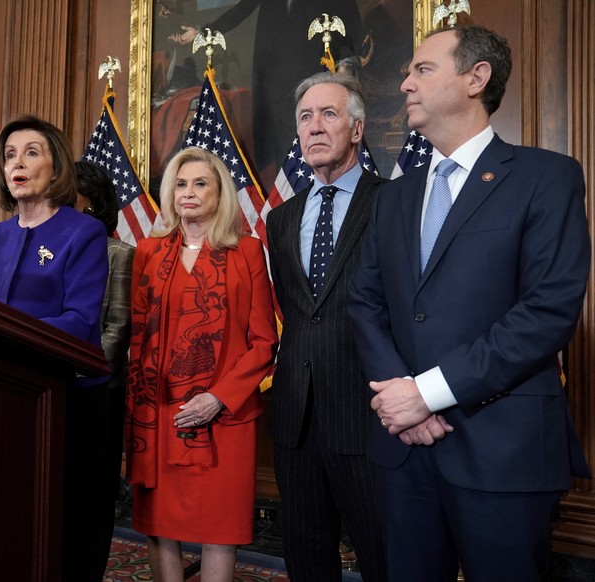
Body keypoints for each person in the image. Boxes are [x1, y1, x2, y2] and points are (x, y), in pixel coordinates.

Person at [347, 25, 591, 581]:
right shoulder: (394, 197)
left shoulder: (545, 178)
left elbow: (546, 312)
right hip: (404, 452)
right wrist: (402, 403)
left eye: (422, 70)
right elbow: (364, 303)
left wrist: (428, 394)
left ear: (476, 78)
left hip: (501, 451)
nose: (405, 83)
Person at [126, 147, 278, 581]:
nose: (187, 193)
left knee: (219, 531)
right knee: (159, 529)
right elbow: (137, 337)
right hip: (158, 416)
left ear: (220, 192)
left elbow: (264, 342)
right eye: (179, 183)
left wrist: (217, 398)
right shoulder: (148, 252)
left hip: (224, 416)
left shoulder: (247, 252)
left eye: (199, 183)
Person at [0, 115, 111, 580]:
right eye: (10, 155)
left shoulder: (82, 232)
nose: (19, 163)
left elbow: (81, 320)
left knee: (69, 523)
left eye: (32, 152)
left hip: (68, 400)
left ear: (57, 167)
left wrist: (3, 334)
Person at [265, 72, 386, 581]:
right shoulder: (280, 218)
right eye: (305, 117)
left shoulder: (393, 201)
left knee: (385, 554)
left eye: (329, 114)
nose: (314, 127)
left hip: (367, 412)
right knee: (307, 555)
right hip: (297, 414)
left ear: (356, 129)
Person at [169, 0, 363, 173]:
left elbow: (347, 13)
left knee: (316, 141)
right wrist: (202, 32)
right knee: (282, 146)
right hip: (275, 78)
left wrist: (346, 62)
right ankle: (288, 204)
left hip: (314, 73)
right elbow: (242, 9)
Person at [74, 160, 135, 577]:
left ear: (91, 203)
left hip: (98, 389)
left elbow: (117, 327)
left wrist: (81, 371)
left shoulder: (118, 254)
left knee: (92, 496)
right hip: (50, 386)